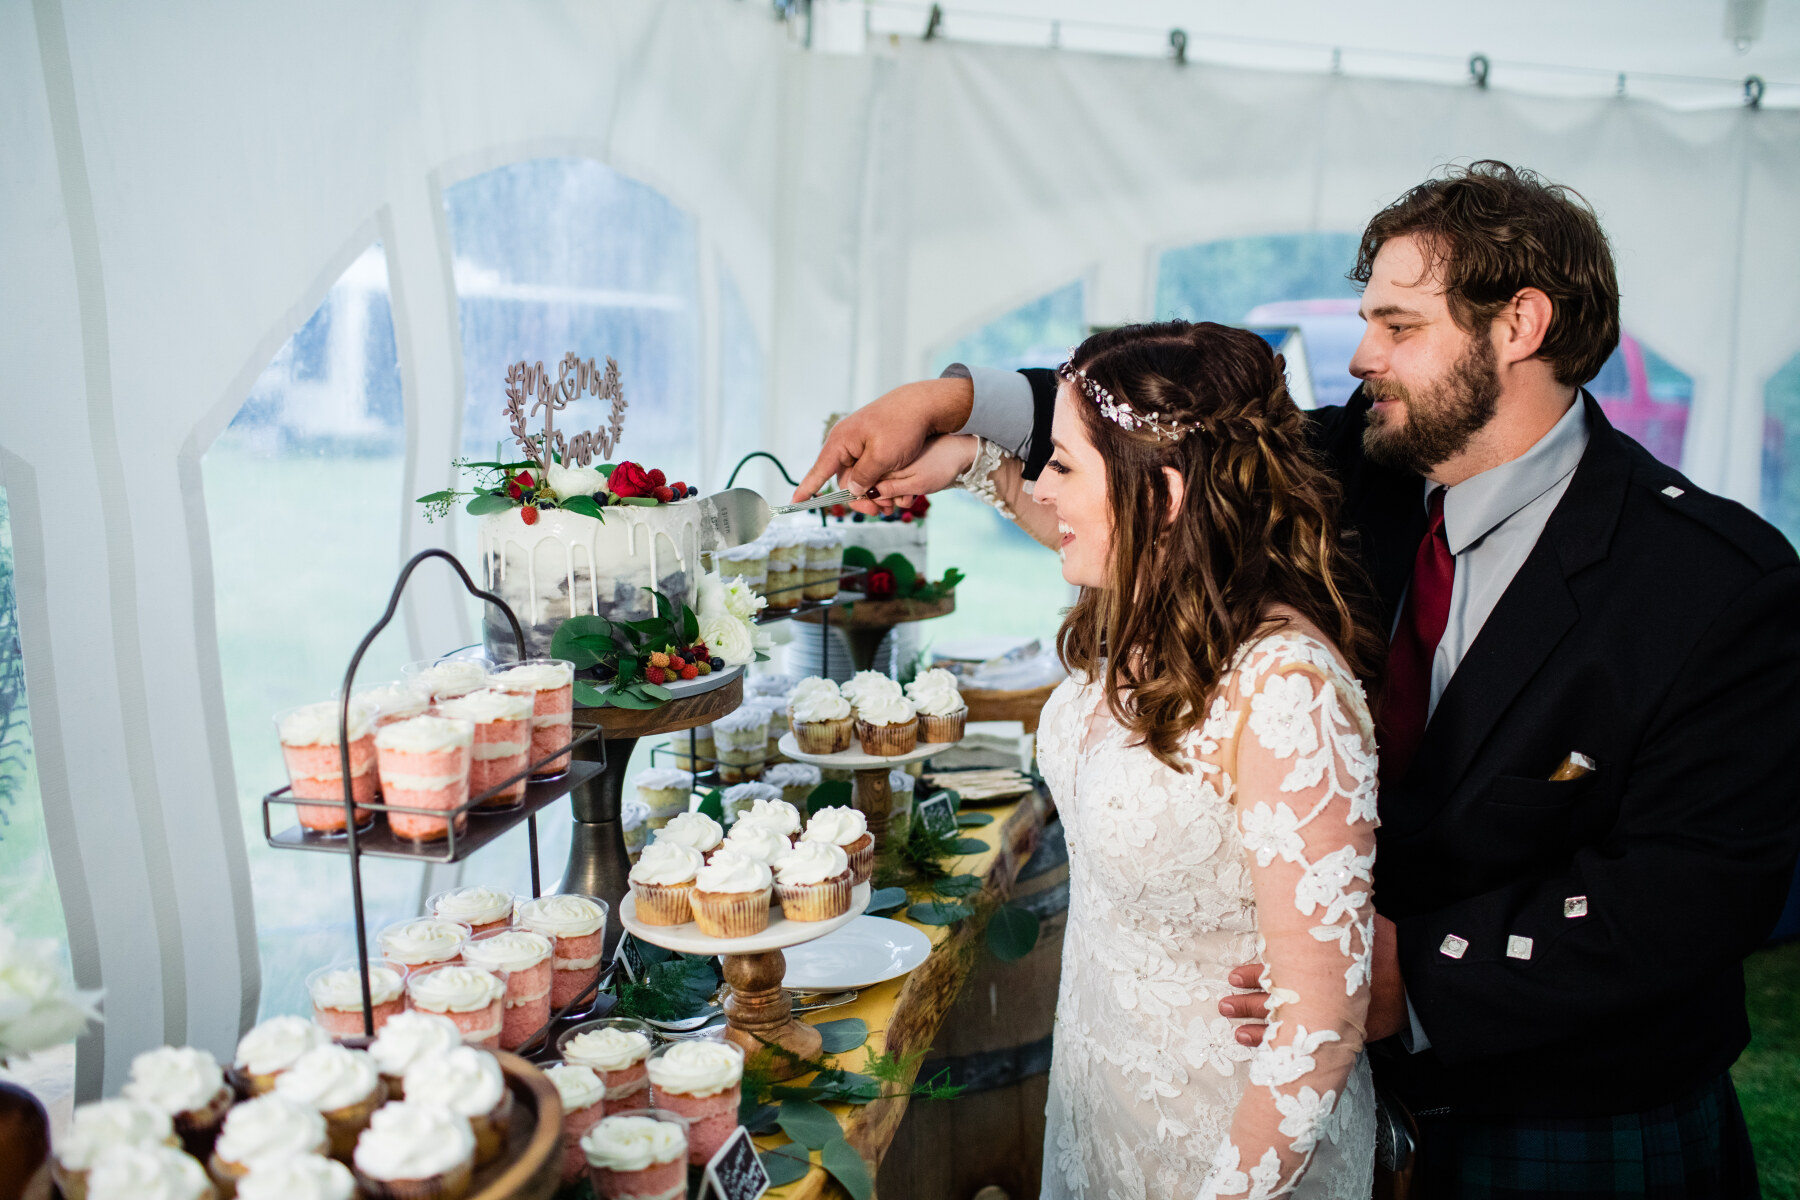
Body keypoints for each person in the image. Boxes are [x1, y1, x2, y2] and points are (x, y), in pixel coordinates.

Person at [797, 162, 1800, 1197]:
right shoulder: (1348, 465)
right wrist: (952, 404)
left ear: (1521, 325)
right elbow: (1139, 424)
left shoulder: (1714, 583)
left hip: (1565, 1114)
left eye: (1400, 327)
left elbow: (1699, 895)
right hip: (1306, 1076)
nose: (1361, 355)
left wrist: (1414, 978)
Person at [951, 319, 1387, 1197]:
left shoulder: (1286, 691)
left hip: (1226, 1140)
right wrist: (962, 461)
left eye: (1064, 465)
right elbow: (1053, 508)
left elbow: (1320, 1025)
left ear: (1163, 499)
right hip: (1102, 1097)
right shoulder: (1150, 614)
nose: (1042, 487)